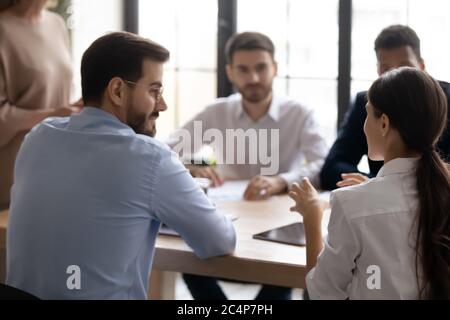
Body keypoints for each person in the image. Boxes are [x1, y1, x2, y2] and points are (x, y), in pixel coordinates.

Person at [6, 32, 236, 299]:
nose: (162, 104)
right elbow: (219, 240)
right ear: (117, 91)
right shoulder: (149, 157)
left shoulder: (37, 138)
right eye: (154, 90)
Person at [168, 32, 327, 300]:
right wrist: (193, 167)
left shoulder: (299, 113)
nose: (253, 78)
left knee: (287, 268)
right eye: (243, 69)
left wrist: (282, 180)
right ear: (230, 72)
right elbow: (166, 150)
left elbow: (322, 163)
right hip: (227, 219)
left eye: (261, 68)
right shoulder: (216, 112)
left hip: (282, 222)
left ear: (275, 68)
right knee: (187, 254)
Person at [290, 67, 450, 299]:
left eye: (367, 114)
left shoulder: (352, 202)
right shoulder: (442, 186)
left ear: (384, 123)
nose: (363, 125)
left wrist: (312, 217)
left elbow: (322, 292)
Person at [320, 25, 450, 190]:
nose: (396, 74)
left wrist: (383, 186)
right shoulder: (366, 104)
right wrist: (374, 185)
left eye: (405, 66)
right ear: (378, 71)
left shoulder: (446, 100)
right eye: (386, 69)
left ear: (421, 66)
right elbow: (332, 167)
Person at [0, 0, 80, 209]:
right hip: (13, 174)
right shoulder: (3, 30)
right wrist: (54, 114)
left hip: (57, 167)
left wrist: (76, 108)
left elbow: (60, 91)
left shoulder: (56, 24)